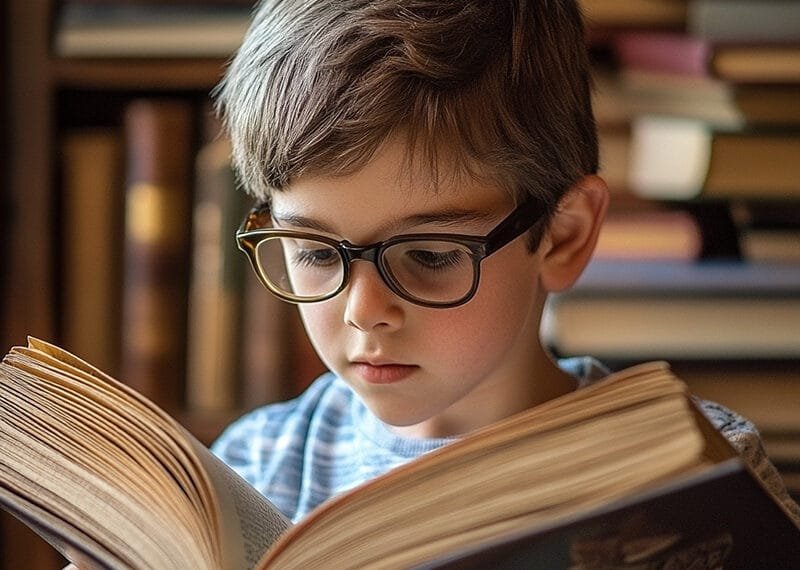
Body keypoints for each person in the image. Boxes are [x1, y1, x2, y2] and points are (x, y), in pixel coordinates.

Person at [209, 0, 800, 526]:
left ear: (562, 237)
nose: (363, 312)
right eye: (314, 251)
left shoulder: (697, 465)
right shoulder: (254, 467)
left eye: (429, 255)